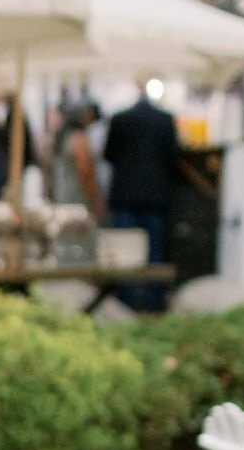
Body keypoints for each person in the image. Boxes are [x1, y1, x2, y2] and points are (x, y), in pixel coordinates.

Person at [104, 80, 180, 311]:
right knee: (154, 252)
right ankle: (154, 302)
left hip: (125, 195)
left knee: (124, 251)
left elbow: (109, 154)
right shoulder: (165, 120)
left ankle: (126, 302)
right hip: (155, 196)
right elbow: (173, 155)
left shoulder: (120, 119)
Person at [49, 96, 106, 223]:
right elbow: (85, 171)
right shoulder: (78, 138)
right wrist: (95, 200)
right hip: (77, 199)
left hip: (63, 197)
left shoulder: (64, 136)